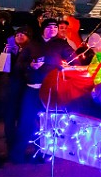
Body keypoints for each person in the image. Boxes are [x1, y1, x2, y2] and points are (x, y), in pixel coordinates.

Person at [11, 18, 75, 163]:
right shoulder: (32, 44)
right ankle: (17, 155)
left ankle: (45, 153)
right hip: (32, 88)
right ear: (43, 28)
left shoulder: (61, 44)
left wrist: (65, 66)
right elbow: (18, 65)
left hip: (51, 90)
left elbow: (75, 59)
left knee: (49, 123)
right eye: (49, 27)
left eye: (55, 27)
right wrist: (30, 65)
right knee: (26, 121)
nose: (52, 29)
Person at [0, 26, 32, 161]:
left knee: (24, 120)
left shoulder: (30, 50)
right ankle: (10, 148)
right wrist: (6, 54)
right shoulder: (9, 49)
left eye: (23, 34)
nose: (19, 36)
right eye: (17, 34)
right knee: (9, 120)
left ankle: (19, 150)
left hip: (25, 89)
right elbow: (2, 69)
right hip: (10, 90)